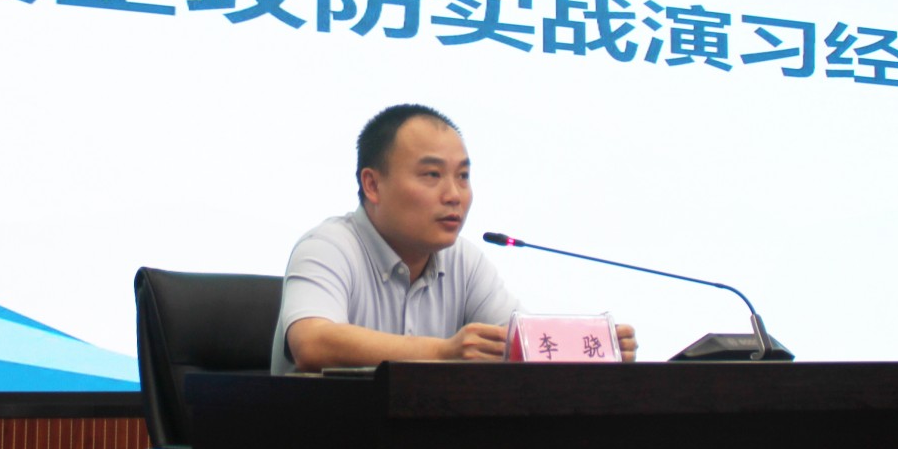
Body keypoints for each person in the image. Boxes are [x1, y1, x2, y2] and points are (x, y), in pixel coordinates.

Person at [271, 104, 637, 374]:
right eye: (432, 175)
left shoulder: (464, 260)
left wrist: (598, 348)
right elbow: (312, 342)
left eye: (462, 176)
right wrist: (444, 352)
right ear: (373, 184)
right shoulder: (328, 246)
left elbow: (522, 345)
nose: (454, 195)